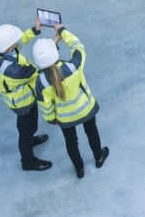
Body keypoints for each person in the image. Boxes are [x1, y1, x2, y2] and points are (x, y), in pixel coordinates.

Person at [32, 24, 109, 179]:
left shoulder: (41, 82)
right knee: (92, 132)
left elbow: (45, 106)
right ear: (55, 53)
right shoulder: (74, 66)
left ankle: (79, 169)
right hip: (86, 109)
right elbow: (77, 46)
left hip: (65, 117)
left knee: (71, 143)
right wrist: (62, 31)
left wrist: (51, 119)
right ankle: (99, 158)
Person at [0, 18, 53, 171]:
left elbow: (18, 42)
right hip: (24, 102)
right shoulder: (14, 71)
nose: (17, 43)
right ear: (9, 47)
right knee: (26, 129)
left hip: (17, 98)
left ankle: (29, 139)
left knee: (28, 127)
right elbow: (38, 72)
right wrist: (50, 55)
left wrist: (35, 30)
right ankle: (27, 160)